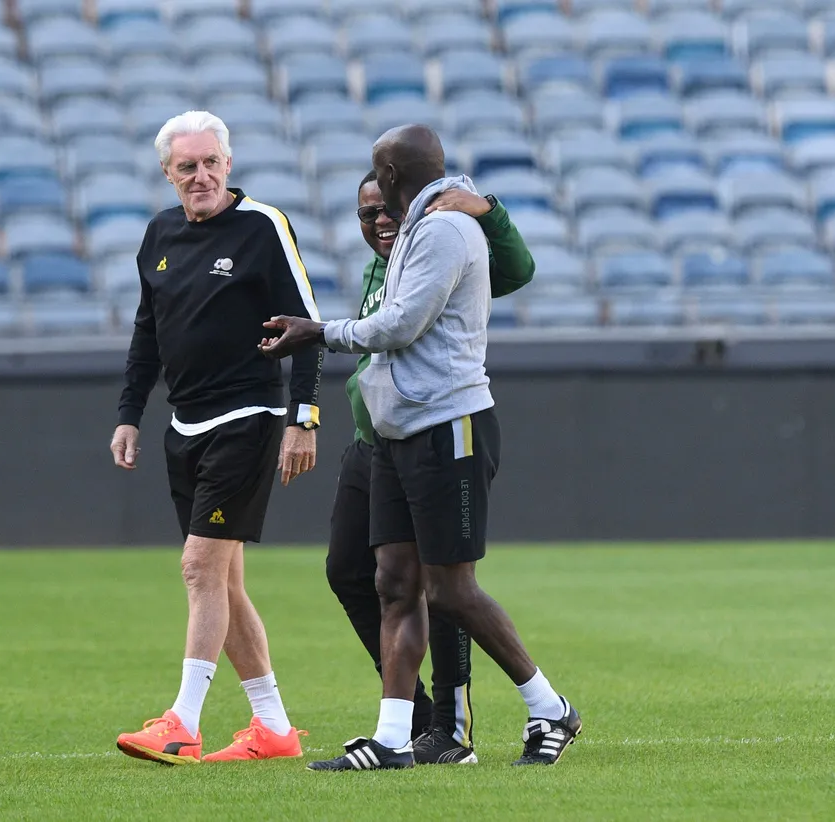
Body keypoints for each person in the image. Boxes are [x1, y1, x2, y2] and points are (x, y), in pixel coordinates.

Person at [260, 124, 582, 771]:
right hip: (396, 432)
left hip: (447, 424)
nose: (377, 204)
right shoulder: (413, 230)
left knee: (452, 590)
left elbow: (403, 324)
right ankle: (393, 739)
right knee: (393, 583)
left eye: (379, 175)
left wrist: (319, 331)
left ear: (391, 174)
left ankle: (550, 708)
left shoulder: (444, 229)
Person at [110, 110, 324, 766]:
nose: (200, 175)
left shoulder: (263, 225)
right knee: (224, 585)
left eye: (210, 163)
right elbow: (147, 330)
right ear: (168, 174)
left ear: (228, 165)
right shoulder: (159, 233)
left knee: (198, 567)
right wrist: (128, 413)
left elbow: (306, 325)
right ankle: (274, 728)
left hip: (248, 417)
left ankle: (183, 722)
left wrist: (303, 418)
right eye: (187, 167)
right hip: (185, 425)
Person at [325, 169, 535, 765]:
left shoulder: (440, 249)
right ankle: (407, 721)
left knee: (444, 586)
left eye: (387, 209)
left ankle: (450, 727)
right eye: (366, 214)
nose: (379, 221)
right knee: (353, 572)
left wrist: (488, 210)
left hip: (429, 431)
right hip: (373, 442)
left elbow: (517, 270)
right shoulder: (379, 270)